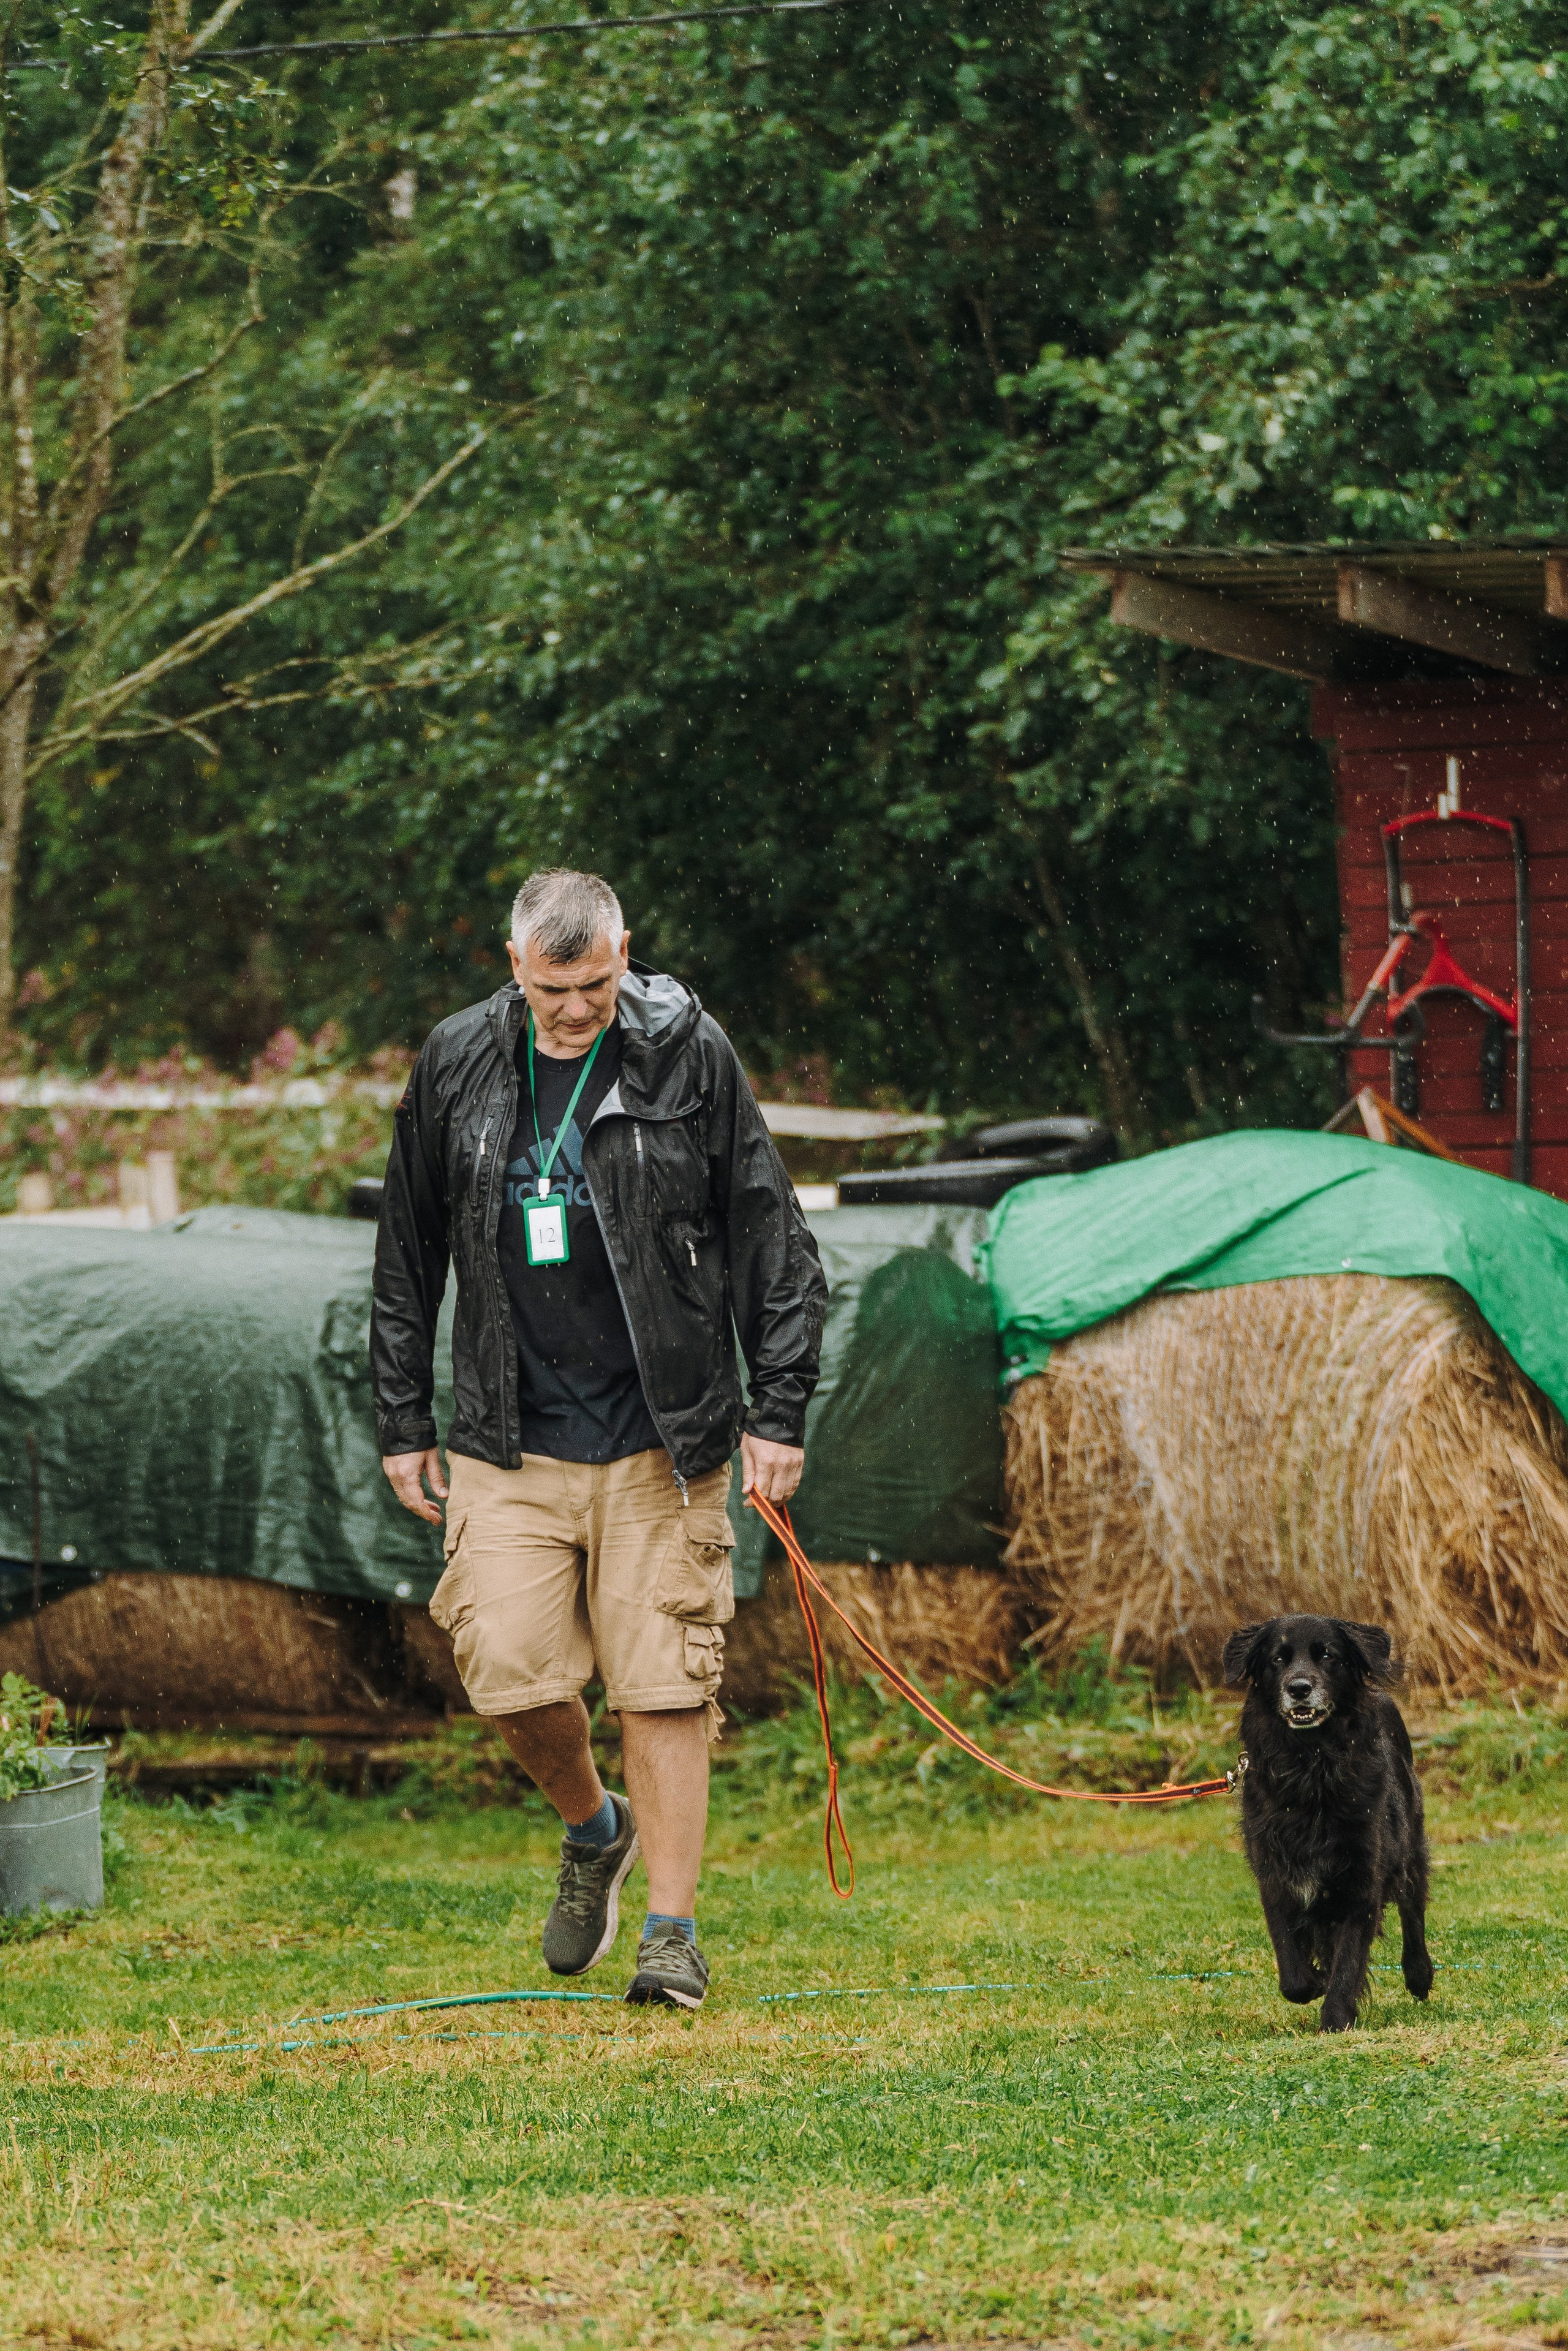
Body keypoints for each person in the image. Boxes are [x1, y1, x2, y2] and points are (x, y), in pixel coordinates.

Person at [371, 868, 827, 2010]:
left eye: (597, 980)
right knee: (510, 1674)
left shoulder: (689, 1052)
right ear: (513, 962)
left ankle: (670, 1935)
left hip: (661, 1433)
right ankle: (593, 1828)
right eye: (554, 985)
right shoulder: (459, 1058)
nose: (578, 1007)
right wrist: (401, 1417)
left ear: (626, 948)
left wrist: (779, 1409)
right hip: (506, 1429)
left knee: (663, 1683)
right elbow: (405, 1248)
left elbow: (770, 1232)